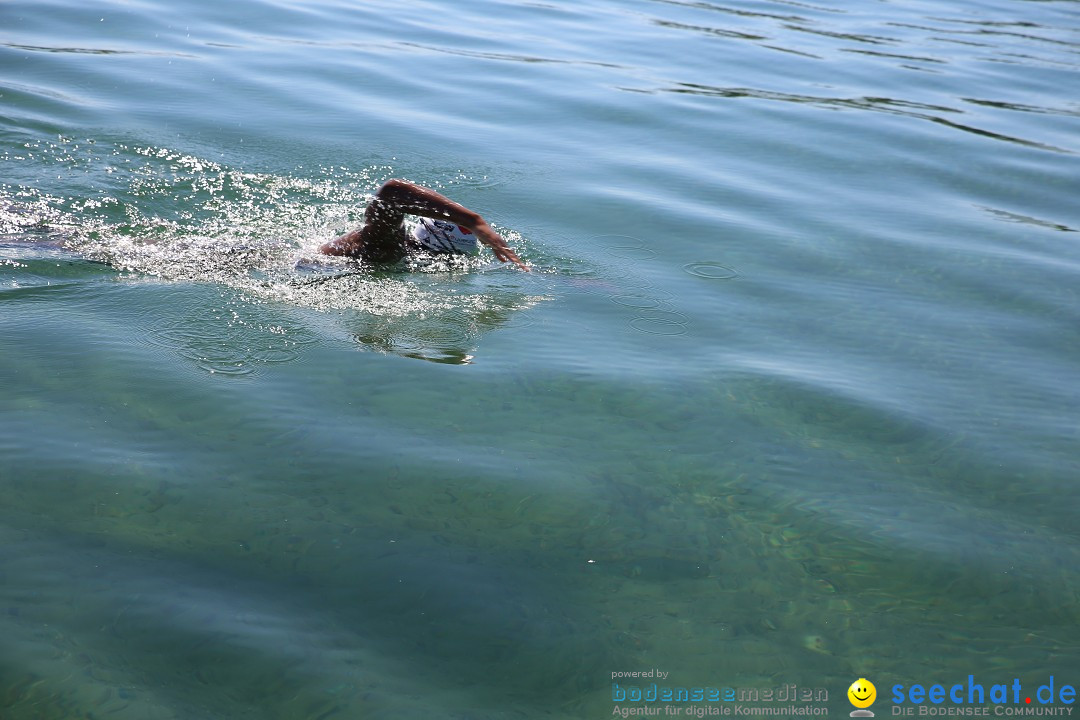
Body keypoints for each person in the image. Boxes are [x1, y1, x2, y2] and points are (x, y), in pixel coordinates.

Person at [320, 179, 528, 270]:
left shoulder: (397, 253)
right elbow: (391, 192)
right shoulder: (388, 248)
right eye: (450, 259)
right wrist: (472, 221)